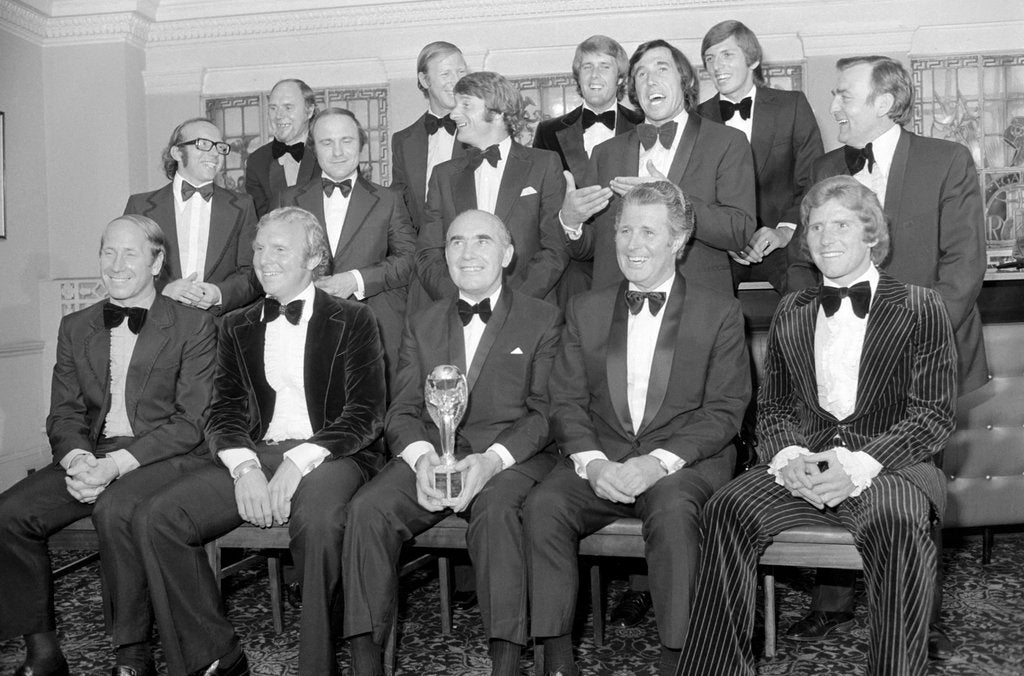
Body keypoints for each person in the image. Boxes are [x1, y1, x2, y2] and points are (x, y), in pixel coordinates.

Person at [678, 175, 958, 676]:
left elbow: (932, 416)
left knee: (897, 521)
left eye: (841, 225)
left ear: (871, 233)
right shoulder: (793, 308)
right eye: (816, 226)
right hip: (803, 464)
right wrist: (788, 457)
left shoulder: (921, 305)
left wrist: (859, 464)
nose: (826, 237)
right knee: (724, 509)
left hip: (889, 467)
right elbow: (774, 408)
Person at [790, 56, 987, 658]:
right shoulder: (825, 168)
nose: (834, 107)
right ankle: (831, 602)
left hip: (924, 360)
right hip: (836, 356)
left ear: (885, 101)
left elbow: (963, 267)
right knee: (830, 461)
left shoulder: (945, 159)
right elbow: (803, 261)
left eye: (844, 95)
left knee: (910, 489)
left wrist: (908, 343)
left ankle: (916, 619)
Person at [133, 207, 387, 676]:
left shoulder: (355, 318)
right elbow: (223, 412)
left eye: (280, 249)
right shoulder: (236, 324)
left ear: (314, 258)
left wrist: (297, 462)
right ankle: (216, 655)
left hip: (334, 453)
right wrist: (245, 467)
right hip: (257, 451)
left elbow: (365, 414)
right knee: (158, 517)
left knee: (317, 521)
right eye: (259, 248)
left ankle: (318, 667)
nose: (265, 259)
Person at [526, 181, 750, 676]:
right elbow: (565, 401)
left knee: (673, 513)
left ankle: (679, 659)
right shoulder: (585, 309)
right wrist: (593, 463)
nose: (633, 244)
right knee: (543, 506)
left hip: (683, 461)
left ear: (678, 240)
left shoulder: (720, 312)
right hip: (603, 456)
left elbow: (724, 410)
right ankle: (556, 661)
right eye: (625, 231)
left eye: (648, 232)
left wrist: (656, 464)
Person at [343, 209, 562, 676]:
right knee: (367, 509)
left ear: (507, 254)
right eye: (456, 242)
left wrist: (490, 461)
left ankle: (506, 663)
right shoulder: (422, 321)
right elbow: (401, 410)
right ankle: (365, 663)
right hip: (432, 455)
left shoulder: (543, 318)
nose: (467, 253)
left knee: (498, 511)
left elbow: (545, 414)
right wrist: (422, 460)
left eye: (483, 241)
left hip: (508, 458)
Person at [0, 215, 216, 676]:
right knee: (10, 514)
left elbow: (189, 423)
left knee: (114, 509)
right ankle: (43, 652)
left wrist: (115, 465)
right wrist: (78, 458)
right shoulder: (76, 326)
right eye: (108, 252)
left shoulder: (193, 326)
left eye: (130, 254)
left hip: (162, 454)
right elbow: (64, 412)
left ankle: (132, 655)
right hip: (92, 452)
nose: (116, 265)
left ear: (156, 262)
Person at [559, 39, 756, 293]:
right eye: (641, 74)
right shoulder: (605, 153)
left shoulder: (727, 142)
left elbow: (739, 231)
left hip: (697, 301)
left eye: (662, 69)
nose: (651, 80)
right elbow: (592, 247)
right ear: (634, 90)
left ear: (685, 80)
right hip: (618, 302)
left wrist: (675, 199)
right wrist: (571, 222)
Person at [276, 107, 416, 382]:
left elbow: (410, 258)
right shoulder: (288, 200)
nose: (338, 152)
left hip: (375, 328)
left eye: (346, 141)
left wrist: (356, 280)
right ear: (314, 149)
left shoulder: (389, 200)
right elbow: (273, 263)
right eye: (327, 142)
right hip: (305, 329)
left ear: (361, 144)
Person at [416, 71, 568, 304]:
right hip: (459, 311)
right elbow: (428, 253)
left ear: (498, 113)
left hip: (529, 308)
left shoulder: (545, 164)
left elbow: (555, 248)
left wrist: (510, 303)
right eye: (455, 105)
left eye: (466, 105)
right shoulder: (442, 176)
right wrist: (461, 301)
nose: (454, 114)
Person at [697, 20, 824, 293]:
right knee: (700, 300)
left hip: (783, 240)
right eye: (710, 58)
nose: (716, 66)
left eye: (726, 54)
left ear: (753, 60)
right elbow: (697, 195)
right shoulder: (696, 119)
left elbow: (813, 181)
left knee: (805, 294)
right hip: (722, 248)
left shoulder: (792, 105)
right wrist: (728, 238)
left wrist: (784, 231)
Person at [533, 35, 644, 303]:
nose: (595, 75)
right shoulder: (548, 131)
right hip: (573, 263)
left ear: (620, 78)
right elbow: (539, 203)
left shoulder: (645, 125)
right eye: (587, 67)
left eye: (605, 66)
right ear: (578, 76)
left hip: (636, 254)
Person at [124, 117, 261, 314]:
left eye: (220, 147)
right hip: (155, 321)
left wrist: (219, 294)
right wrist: (163, 292)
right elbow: (126, 269)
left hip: (219, 325)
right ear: (177, 152)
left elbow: (253, 273)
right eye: (203, 144)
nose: (215, 153)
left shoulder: (243, 206)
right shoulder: (140, 206)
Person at [391, 42, 469, 232]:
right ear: (425, 80)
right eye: (446, 74)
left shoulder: (483, 131)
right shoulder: (403, 141)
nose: (456, 81)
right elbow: (399, 209)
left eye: (461, 72)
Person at [245, 79, 321, 217]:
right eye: (273, 108)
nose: (279, 116)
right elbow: (257, 221)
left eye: (288, 107)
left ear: (309, 111)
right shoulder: (256, 161)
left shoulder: (329, 153)